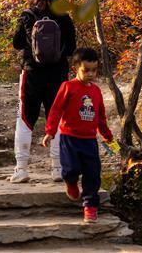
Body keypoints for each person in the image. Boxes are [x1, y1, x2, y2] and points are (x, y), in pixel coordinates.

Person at [9, 0, 76, 183]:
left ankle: (21, 169)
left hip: (32, 74)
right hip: (58, 75)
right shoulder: (64, 17)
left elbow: (16, 43)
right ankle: (57, 168)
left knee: (25, 119)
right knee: (57, 119)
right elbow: (71, 48)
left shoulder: (27, 15)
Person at [42, 47, 113, 224]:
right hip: (70, 138)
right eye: (86, 70)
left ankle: (90, 206)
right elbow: (56, 110)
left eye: (94, 70)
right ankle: (71, 183)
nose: (91, 74)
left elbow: (100, 116)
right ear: (76, 68)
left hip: (89, 140)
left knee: (92, 173)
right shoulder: (68, 87)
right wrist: (50, 131)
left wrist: (107, 135)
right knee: (70, 169)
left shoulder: (96, 91)